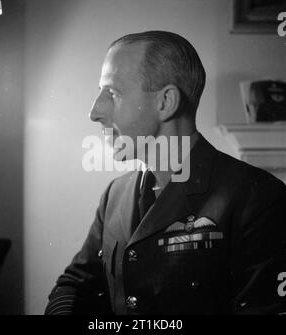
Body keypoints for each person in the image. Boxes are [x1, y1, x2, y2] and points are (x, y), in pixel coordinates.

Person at [45, 31, 286, 315]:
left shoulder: (258, 198)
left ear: (166, 102)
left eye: (112, 93)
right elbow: (75, 284)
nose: (95, 112)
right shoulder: (115, 195)